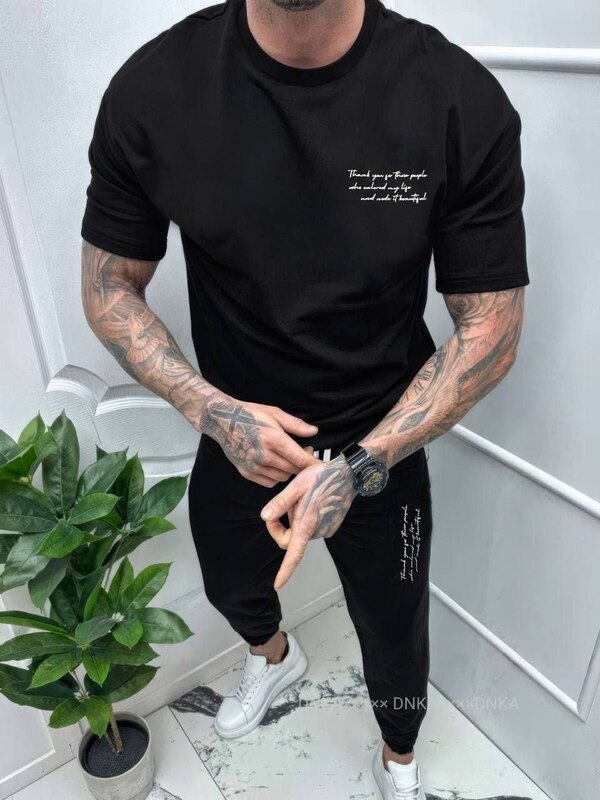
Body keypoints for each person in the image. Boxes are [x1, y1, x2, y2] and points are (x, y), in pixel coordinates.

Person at [80, 0, 529, 796]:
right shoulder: (155, 91)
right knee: (232, 586)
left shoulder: (455, 99)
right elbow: (110, 287)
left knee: (395, 631)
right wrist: (213, 412)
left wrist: (357, 468)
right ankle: (274, 659)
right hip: (237, 432)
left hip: (381, 447)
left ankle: (398, 759)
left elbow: (491, 329)